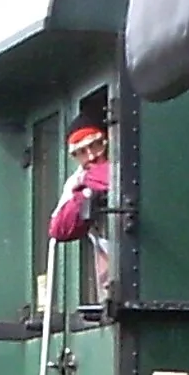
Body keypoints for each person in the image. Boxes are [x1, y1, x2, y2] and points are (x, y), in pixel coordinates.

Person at [48, 118, 112, 294]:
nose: (91, 156)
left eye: (95, 145)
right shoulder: (75, 182)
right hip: (109, 268)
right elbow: (59, 229)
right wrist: (84, 195)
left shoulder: (123, 163)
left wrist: (90, 179)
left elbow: (112, 179)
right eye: (82, 152)